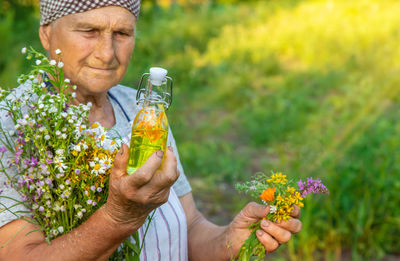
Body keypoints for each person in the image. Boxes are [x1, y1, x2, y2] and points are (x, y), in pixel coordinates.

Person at [0, 1, 302, 260]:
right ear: (46, 34)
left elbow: (189, 226)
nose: (107, 53)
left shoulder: (142, 111)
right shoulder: (12, 126)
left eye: (122, 33)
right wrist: (118, 218)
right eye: (89, 31)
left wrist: (227, 242)